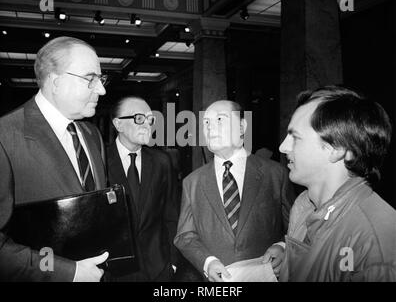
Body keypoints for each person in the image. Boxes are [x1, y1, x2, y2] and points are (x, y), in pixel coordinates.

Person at [0, 36, 109, 281]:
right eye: (91, 79)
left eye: (101, 80)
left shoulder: (92, 135)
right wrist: (69, 273)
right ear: (56, 82)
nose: (102, 89)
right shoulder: (5, 138)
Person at [274, 86, 396, 281]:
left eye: (295, 137)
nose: (283, 147)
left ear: (336, 148)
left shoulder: (376, 239)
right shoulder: (303, 206)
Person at [174, 100, 295, 282]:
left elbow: (298, 225)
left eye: (220, 119)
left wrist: (283, 247)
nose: (210, 128)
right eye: (206, 123)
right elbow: (185, 236)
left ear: (241, 126)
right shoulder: (192, 182)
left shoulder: (275, 174)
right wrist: (207, 262)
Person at [106, 96, 179, 281]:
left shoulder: (162, 162)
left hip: (159, 269)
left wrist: (173, 262)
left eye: (150, 119)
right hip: (114, 272)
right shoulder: (99, 161)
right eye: (139, 118)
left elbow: (172, 215)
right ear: (118, 124)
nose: (147, 124)